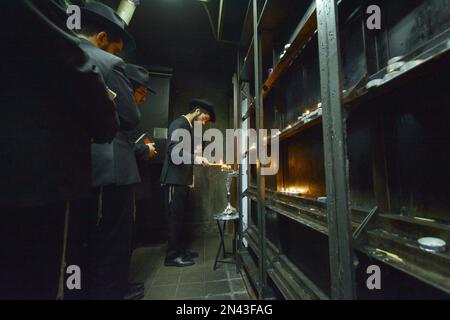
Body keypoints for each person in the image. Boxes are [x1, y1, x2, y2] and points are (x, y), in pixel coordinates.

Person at [0, 0, 118, 299]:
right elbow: (71, 65)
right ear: (103, 39)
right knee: (40, 280)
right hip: (32, 176)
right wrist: (104, 122)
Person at [69, 1, 141, 300]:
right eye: (116, 48)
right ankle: (113, 291)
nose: (116, 55)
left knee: (81, 239)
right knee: (113, 237)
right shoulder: (107, 63)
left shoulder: (64, 52)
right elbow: (130, 116)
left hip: (77, 167)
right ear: (101, 38)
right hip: (110, 166)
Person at [160, 100, 216, 267]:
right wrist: (197, 158)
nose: (204, 123)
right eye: (204, 119)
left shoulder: (190, 127)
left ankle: (180, 250)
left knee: (180, 217)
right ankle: (172, 256)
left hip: (182, 180)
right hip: (174, 179)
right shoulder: (180, 124)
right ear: (197, 111)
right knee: (174, 218)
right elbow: (174, 152)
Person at [122, 63, 158, 300]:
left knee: (125, 233)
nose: (143, 99)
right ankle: (114, 288)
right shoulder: (120, 109)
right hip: (117, 177)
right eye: (142, 93)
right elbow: (126, 142)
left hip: (126, 176)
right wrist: (145, 149)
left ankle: (119, 284)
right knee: (117, 236)